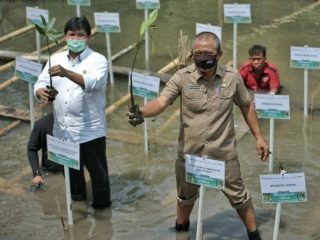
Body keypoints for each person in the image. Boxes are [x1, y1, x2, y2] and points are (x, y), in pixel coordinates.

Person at [128, 32, 269, 240]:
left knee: (239, 197)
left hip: (223, 153)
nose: (202, 57)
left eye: (208, 53)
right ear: (192, 54)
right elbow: (161, 102)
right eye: (198, 53)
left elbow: (246, 105)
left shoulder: (232, 78)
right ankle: (181, 231)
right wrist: (141, 112)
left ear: (219, 54)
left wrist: (259, 137)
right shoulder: (182, 77)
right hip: (190, 155)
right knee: (185, 198)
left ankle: (254, 234)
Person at [34, 16, 111, 209]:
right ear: (64, 37)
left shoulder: (98, 60)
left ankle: (103, 213)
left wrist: (66, 73)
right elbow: (40, 82)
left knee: (98, 175)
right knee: (72, 176)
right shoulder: (56, 58)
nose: (76, 38)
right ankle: (78, 211)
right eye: (71, 35)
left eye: (80, 35)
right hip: (63, 131)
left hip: (90, 131)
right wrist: (41, 92)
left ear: (88, 37)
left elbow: (93, 82)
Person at [27, 112, 63, 186]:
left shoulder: (79, 122)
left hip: (75, 168)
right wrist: (37, 174)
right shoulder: (42, 124)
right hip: (52, 171)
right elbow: (32, 148)